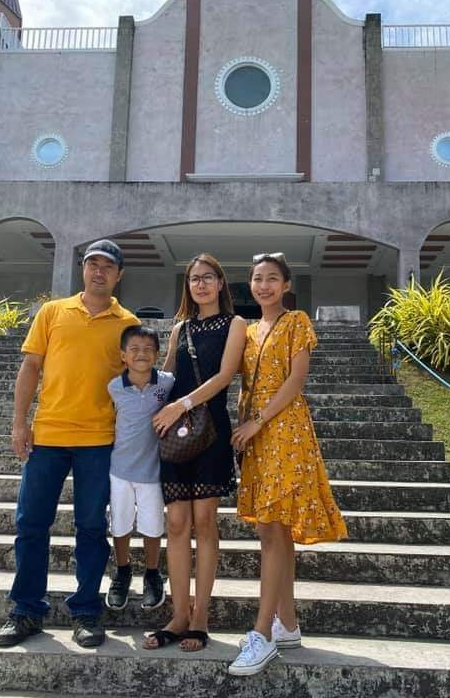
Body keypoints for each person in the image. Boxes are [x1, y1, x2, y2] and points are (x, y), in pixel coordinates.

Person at [0, 239, 140, 649]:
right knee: (30, 525)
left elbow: (136, 381)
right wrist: (19, 424)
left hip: (99, 441)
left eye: (107, 266)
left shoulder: (125, 321)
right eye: (92, 264)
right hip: (49, 436)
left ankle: (86, 612)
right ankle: (26, 611)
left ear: (118, 275)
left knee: (92, 528)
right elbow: (30, 367)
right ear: (83, 269)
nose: (98, 272)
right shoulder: (53, 311)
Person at [227, 252, 348, 676]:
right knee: (271, 531)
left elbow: (296, 381)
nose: (264, 286)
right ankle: (289, 624)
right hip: (255, 437)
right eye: (258, 278)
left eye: (272, 279)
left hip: (284, 430)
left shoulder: (296, 323)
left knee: (274, 530)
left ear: (286, 285)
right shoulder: (248, 329)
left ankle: (262, 634)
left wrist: (258, 422)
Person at [144, 254, 247, 652]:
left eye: (208, 278)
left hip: (210, 430)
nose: (200, 285)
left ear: (221, 283)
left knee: (205, 521)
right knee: (175, 524)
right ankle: (179, 613)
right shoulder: (180, 328)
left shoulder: (236, 324)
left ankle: (200, 616)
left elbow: (225, 376)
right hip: (174, 432)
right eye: (193, 279)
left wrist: (181, 405)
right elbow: (166, 378)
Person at [104, 325, 175, 613]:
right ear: (123, 355)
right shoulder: (114, 387)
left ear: (156, 355)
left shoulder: (167, 383)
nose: (141, 354)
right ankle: (122, 571)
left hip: (153, 472)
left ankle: (152, 574)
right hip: (119, 469)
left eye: (148, 349)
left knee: (152, 526)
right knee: (119, 524)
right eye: (134, 349)